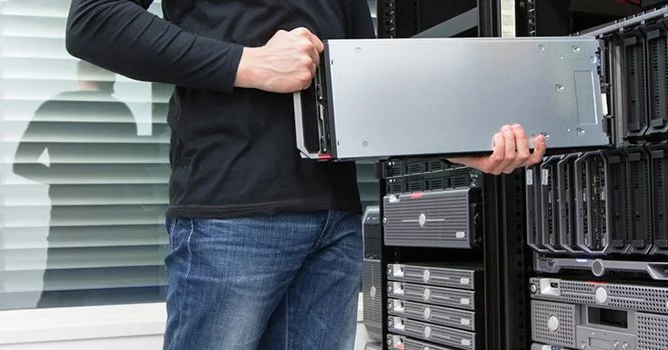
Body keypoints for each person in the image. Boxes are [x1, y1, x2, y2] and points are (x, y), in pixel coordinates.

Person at [65, 1, 547, 349]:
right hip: (232, 218)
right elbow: (93, 21)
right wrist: (248, 63)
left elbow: (363, 80)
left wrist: (463, 150)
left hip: (334, 222)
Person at [11, 61, 169, 309]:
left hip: (67, 221)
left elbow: (21, 163)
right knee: (109, 297)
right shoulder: (119, 112)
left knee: (59, 292)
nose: (116, 80)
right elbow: (133, 171)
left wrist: (64, 179)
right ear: (105, 75)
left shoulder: (54, 107)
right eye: (114, 74)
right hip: (113, 223)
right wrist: (151, 206)